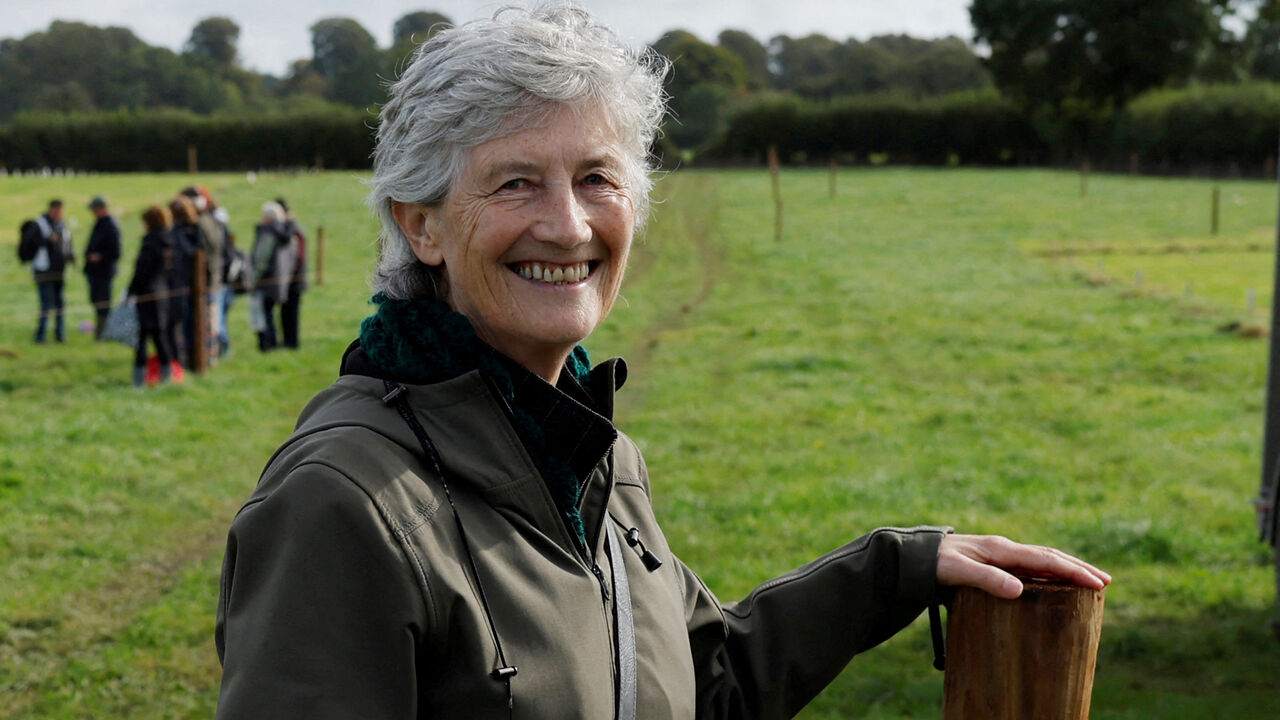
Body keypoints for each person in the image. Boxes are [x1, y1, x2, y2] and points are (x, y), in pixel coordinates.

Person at [214, 5, 1110, 719]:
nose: (567, 225)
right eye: (516, 181)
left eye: (596, 178)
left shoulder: (591, 456)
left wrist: (897, 570)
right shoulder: (341, 503)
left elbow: (696, 691)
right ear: (422, 225)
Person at [127, 205, 178, 386]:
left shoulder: (151, 242)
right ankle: (167, 376)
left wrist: (131, 290)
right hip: (163, 292)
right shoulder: (170, 240)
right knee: (160, 335)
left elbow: (142, 270)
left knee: (142, 338)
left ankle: (138, 381)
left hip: (147, 294)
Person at [249, 202, 301, 352]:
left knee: (265, 314)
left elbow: (260, 259)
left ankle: (268, 345)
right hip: (282, 281)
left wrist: (253, 280)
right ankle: (273, 343)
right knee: (270, 313)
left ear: (269, 217)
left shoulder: (268, 233)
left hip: (266, 281)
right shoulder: (287, 233)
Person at [28, 199, 74, 343]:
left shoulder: (62, 225)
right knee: (46, 305)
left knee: (60, 304)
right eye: (57, 211)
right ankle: (41, 336)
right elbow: (32, 243)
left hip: (59, 272)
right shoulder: (39, 224)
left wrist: (71, 258)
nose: (60, 214)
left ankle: (60, 335)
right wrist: (47, 239)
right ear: (51, 209)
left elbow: (67, 245)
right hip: (44, 272)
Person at [169, 195, 206, 368]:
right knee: (193, 323)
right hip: (196, 283)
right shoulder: (197, 229)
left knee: (181, 324)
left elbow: (191, 253)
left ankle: (182, 361)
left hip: (180, 283)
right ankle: (194, 359)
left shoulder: (177, 233)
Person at [83, 195, 122, 340]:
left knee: (103, 303)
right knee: (96, 301)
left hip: (104, 272)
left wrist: (100, 256)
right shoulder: (100, 223)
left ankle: (103, 332)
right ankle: (100, 331)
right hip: (94, 271)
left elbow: (116, 252)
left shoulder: (111, 225)